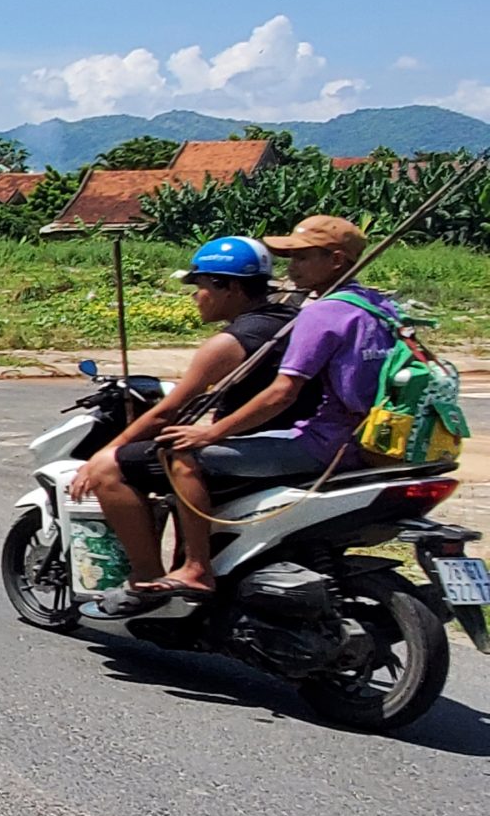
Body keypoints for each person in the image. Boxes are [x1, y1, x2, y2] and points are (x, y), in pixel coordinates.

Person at [136, 214, 401, 601]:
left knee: (180, 455)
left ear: (338, 261)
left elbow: (282, 394)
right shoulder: (380, 307)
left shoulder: (321, 312)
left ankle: (195, 569)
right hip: (376, 441)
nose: (290, 267)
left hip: (326, 445)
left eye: (302, 257)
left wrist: (209, 432)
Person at [72, 237, 290, 596]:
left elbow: (167, 413)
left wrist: (105, 451)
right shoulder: (289, 320)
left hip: (255, 447)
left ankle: (147, 578)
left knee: (111, 468)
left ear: (230, 286)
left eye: (201, 286)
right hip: (282, 440)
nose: (195, 296)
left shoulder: (229, 343)